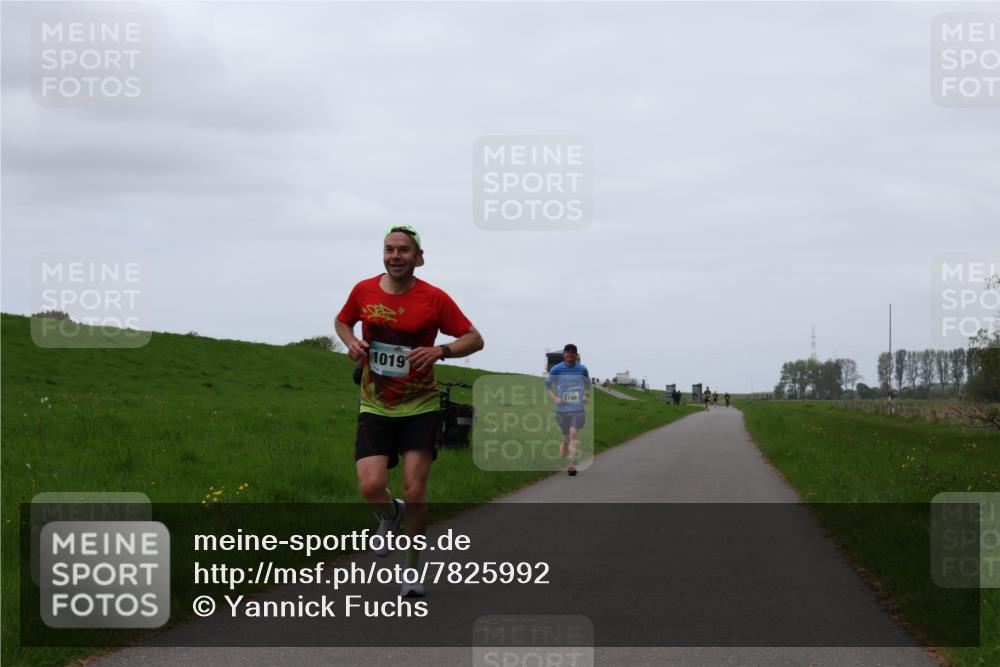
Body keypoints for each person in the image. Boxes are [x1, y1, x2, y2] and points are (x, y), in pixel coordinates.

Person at [336, 225, 484, 598]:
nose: (395, 256)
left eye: (404, 250)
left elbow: (475, 338)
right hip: (375, 403)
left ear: (418, 257)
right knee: (370, 486)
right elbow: (342, 320)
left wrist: (441, 351)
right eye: (389, 249)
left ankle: (412, 571)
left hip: (420, 404)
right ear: (383, 255)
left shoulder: (434, 299)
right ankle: (390, 514)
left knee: (415, 490)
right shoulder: (363, 290)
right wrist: (351, 341)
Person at [545, 344, 591, 476]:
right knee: (566, 436)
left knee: (573, 432)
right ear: (564, 354)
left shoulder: (582, 370)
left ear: (576, 355)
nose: (570, 354)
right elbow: (547, 385)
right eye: (568, 352)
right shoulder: (556, 369)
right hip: (561, 410)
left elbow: (588, 384)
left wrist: (586, 395)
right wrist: (555, 398)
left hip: (577, 409)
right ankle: (565, 442)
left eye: (573, 352)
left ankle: (572, 463)